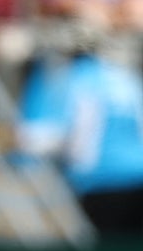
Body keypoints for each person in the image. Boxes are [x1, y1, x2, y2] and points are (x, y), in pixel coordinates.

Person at [17, 20, 143, 239]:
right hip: (137, 175)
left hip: (101, 180)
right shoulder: (124, 77)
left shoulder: (73, 79)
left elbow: (59, 135)